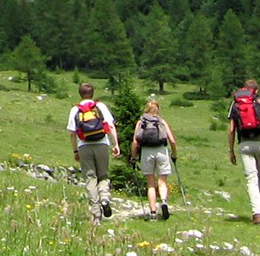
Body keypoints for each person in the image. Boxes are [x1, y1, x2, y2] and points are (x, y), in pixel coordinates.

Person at [226, 77, 260, 225]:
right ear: (257, 91)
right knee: (259, 177)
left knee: (251, 179)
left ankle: (257, 213)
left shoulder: (235, 104)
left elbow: (231, 130)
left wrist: (231, 150)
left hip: (245, 144)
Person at [67, 83, 119, 221]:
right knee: (103, 175)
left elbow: (72, 133)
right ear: (93, 93)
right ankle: (105, 198)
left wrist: (75, 150)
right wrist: (116, 144)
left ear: (80, 94)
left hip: (84, 146)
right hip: (101, 144)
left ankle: (96, 213)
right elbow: (110, 125)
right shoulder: (100, 106)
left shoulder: (75, 110)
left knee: (90, 178)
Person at [130, 99, 179, 220]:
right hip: (161, 151)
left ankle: (152, 212)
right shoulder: (162, 122)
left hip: (147, 152)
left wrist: (133, 157)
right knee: (162, 181)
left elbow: (135, 142)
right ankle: (163, 202)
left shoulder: (141, 122)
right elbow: (172, 140)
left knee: (151, 183)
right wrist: (174, 154)